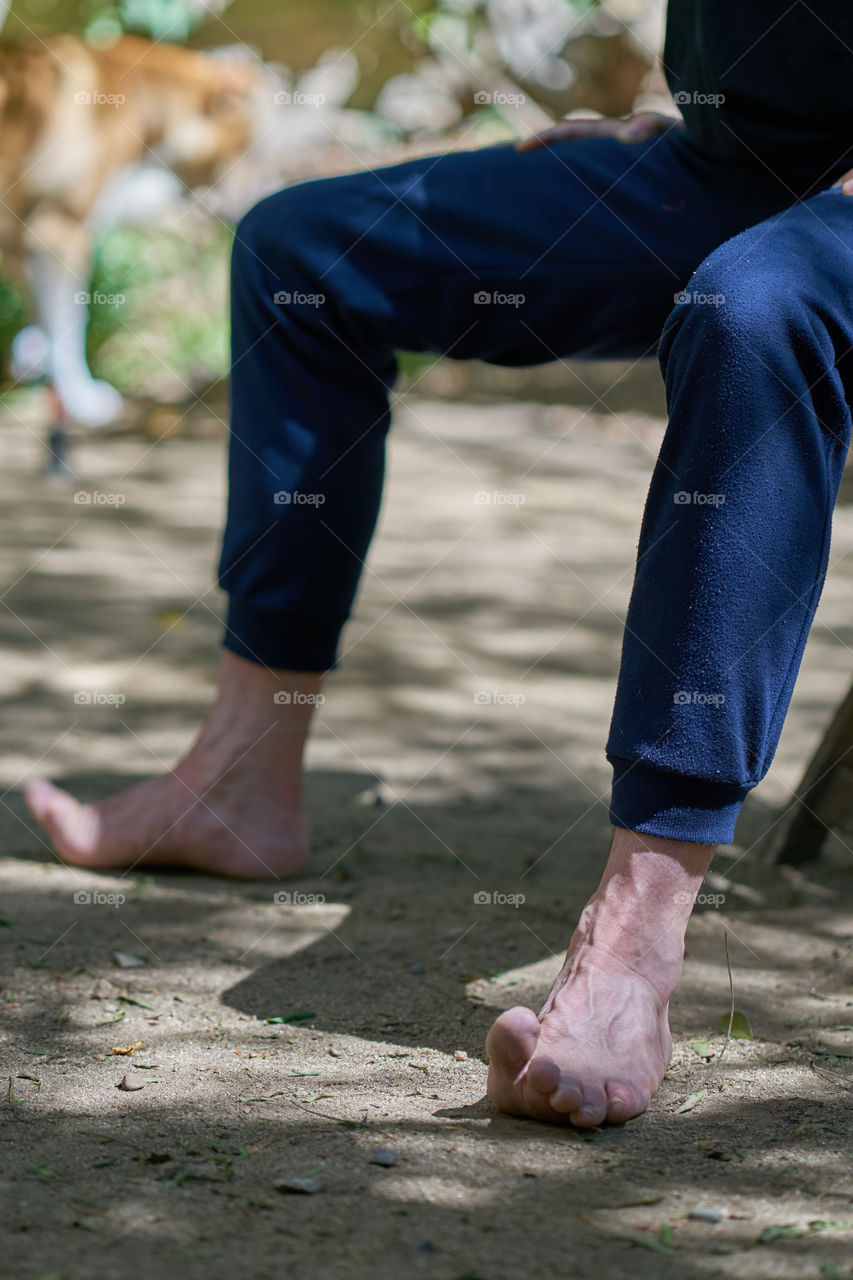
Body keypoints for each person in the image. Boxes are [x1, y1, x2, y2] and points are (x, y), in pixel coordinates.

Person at [25, 1, 853, 1126]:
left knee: (754, 310)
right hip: (740, 168)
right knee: (305, 251)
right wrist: (712, 113)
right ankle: (239, 772)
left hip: (822, 225)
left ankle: (636, 935)